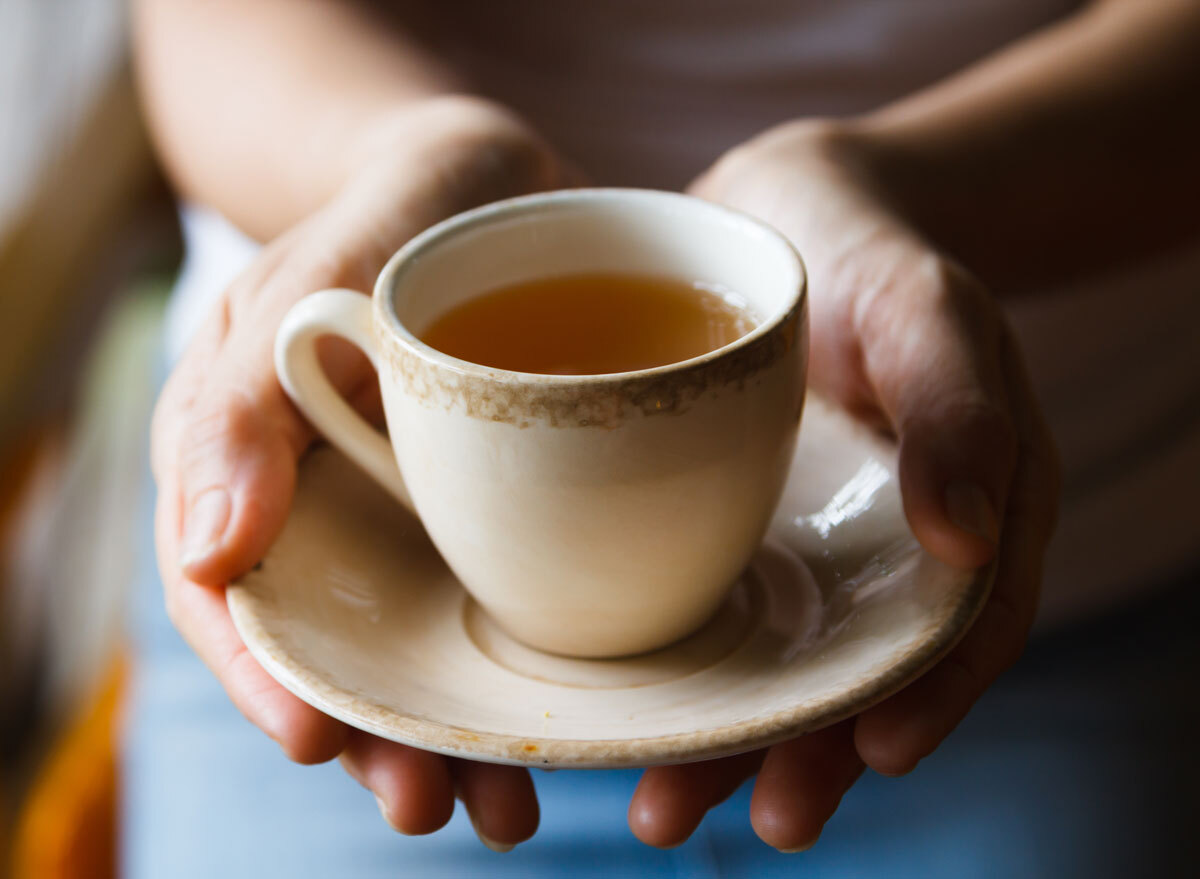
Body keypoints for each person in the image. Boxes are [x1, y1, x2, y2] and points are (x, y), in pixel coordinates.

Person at [126, 0, 1200, 874]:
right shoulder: (320, 619)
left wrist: (907, 188)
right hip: (329, 564)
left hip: (1035, 590)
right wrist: (413, 154)